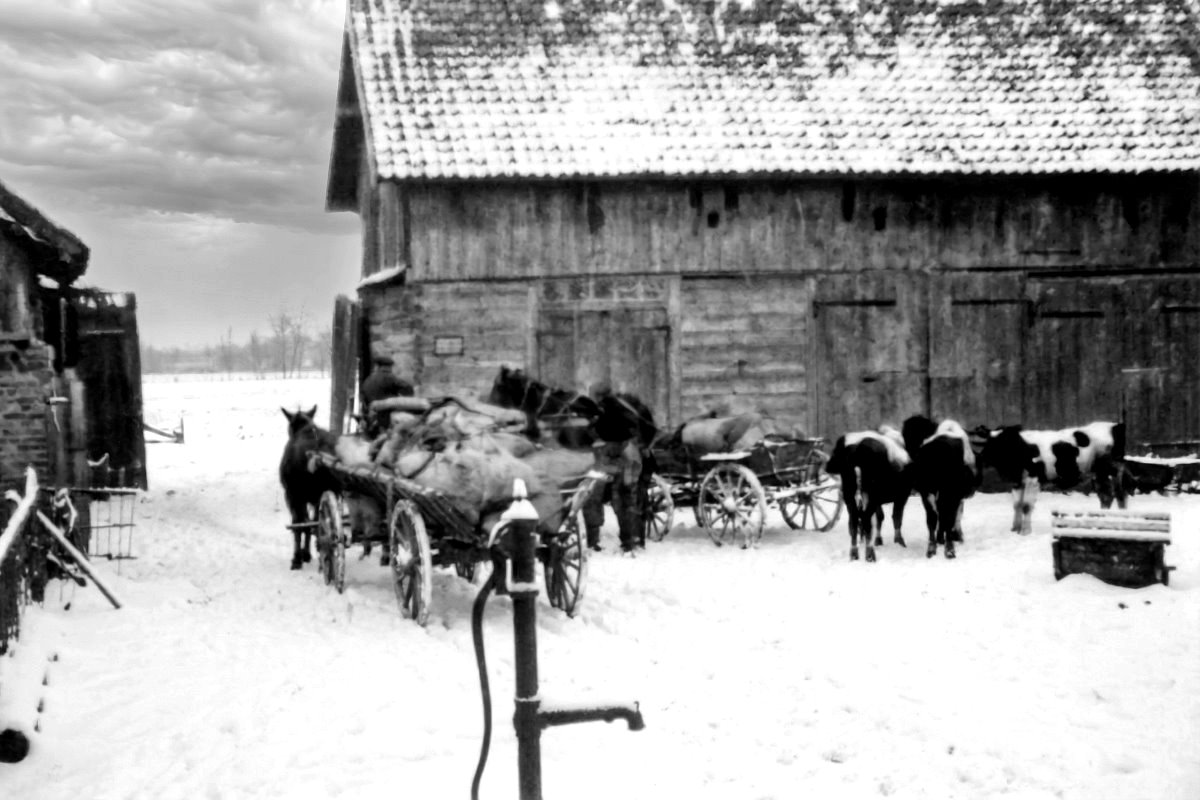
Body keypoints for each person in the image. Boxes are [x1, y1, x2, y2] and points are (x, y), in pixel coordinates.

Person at [582, 381, 646, 554]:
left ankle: (592, 540)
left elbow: (592, 434)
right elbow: (636, 432)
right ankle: (630, 541)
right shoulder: (626, 409)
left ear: (597, 396)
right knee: (626, 500)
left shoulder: (599, 412)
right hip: (628, 457)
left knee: (592, 497)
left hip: (605, 458)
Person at [360, 355, 414, 437]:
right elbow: (408, 389)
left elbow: (364, 400)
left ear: (377, 366)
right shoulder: (389, 377)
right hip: (388, 417)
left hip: (373, 418)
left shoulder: (368, 380)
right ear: (388, 367)